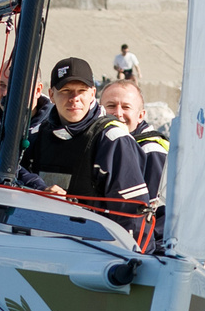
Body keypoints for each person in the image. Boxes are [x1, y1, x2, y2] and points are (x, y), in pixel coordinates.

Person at [20, 57, 149, 225]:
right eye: (66, 90)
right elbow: (10, 171)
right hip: (44, 237)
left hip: (94, 246)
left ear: (92, 94)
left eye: (81, 90)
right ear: (51, 94)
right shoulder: (36, 135)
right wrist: (39, 187)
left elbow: (134, 216)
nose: (74, 98)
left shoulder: (113, 141)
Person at [100, 77, 168, 243]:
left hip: (142, 247)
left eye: (126, 107)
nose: (118, 113)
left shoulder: (152, 151)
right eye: (111, 106)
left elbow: (156, 214)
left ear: (141, 115)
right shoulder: (103, 142)